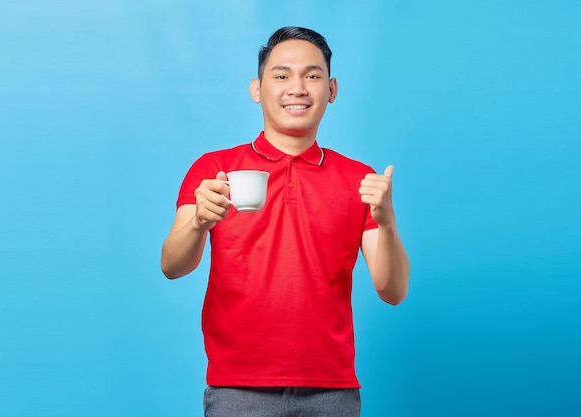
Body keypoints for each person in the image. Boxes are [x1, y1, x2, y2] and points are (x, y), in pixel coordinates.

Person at [161, 26, 410, 417]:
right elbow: (173, 266)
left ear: (331, 90)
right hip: (236, 387)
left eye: (312, 75)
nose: (297, 87)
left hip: (332, 389)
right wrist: (198, 222)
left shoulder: (360, 179)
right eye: (281, 76)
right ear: (257, 90)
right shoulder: (215, 170)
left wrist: (388, 223)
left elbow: (392, 290)